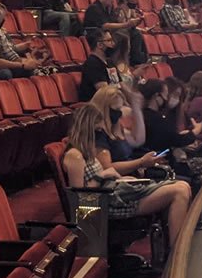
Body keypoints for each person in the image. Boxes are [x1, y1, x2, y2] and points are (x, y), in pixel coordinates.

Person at [61, 103, 189, 245]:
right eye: (97, 131)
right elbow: (80, 198)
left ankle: (171, 249)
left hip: (115, 192)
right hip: (109, 203)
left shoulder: (87, 151)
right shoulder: (75, 156)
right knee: (179, 191)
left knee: (183, 185)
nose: (99, 135)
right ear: (87, 128)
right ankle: (176, 254)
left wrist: (119, 179)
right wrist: (102, 176)